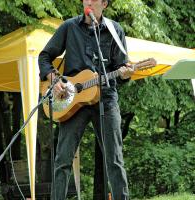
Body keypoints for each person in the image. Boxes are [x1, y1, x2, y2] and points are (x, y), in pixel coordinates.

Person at [38, 0, 133, 199]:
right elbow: (45, 57)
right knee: (62, 160)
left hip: (106, 99)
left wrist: (125, 74)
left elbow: (122, 68)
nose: (88, 2)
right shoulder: (69, 27)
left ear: (104, 4)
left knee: (114, 160)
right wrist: (54, 79)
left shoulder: (115, 30)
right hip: (72, 99)